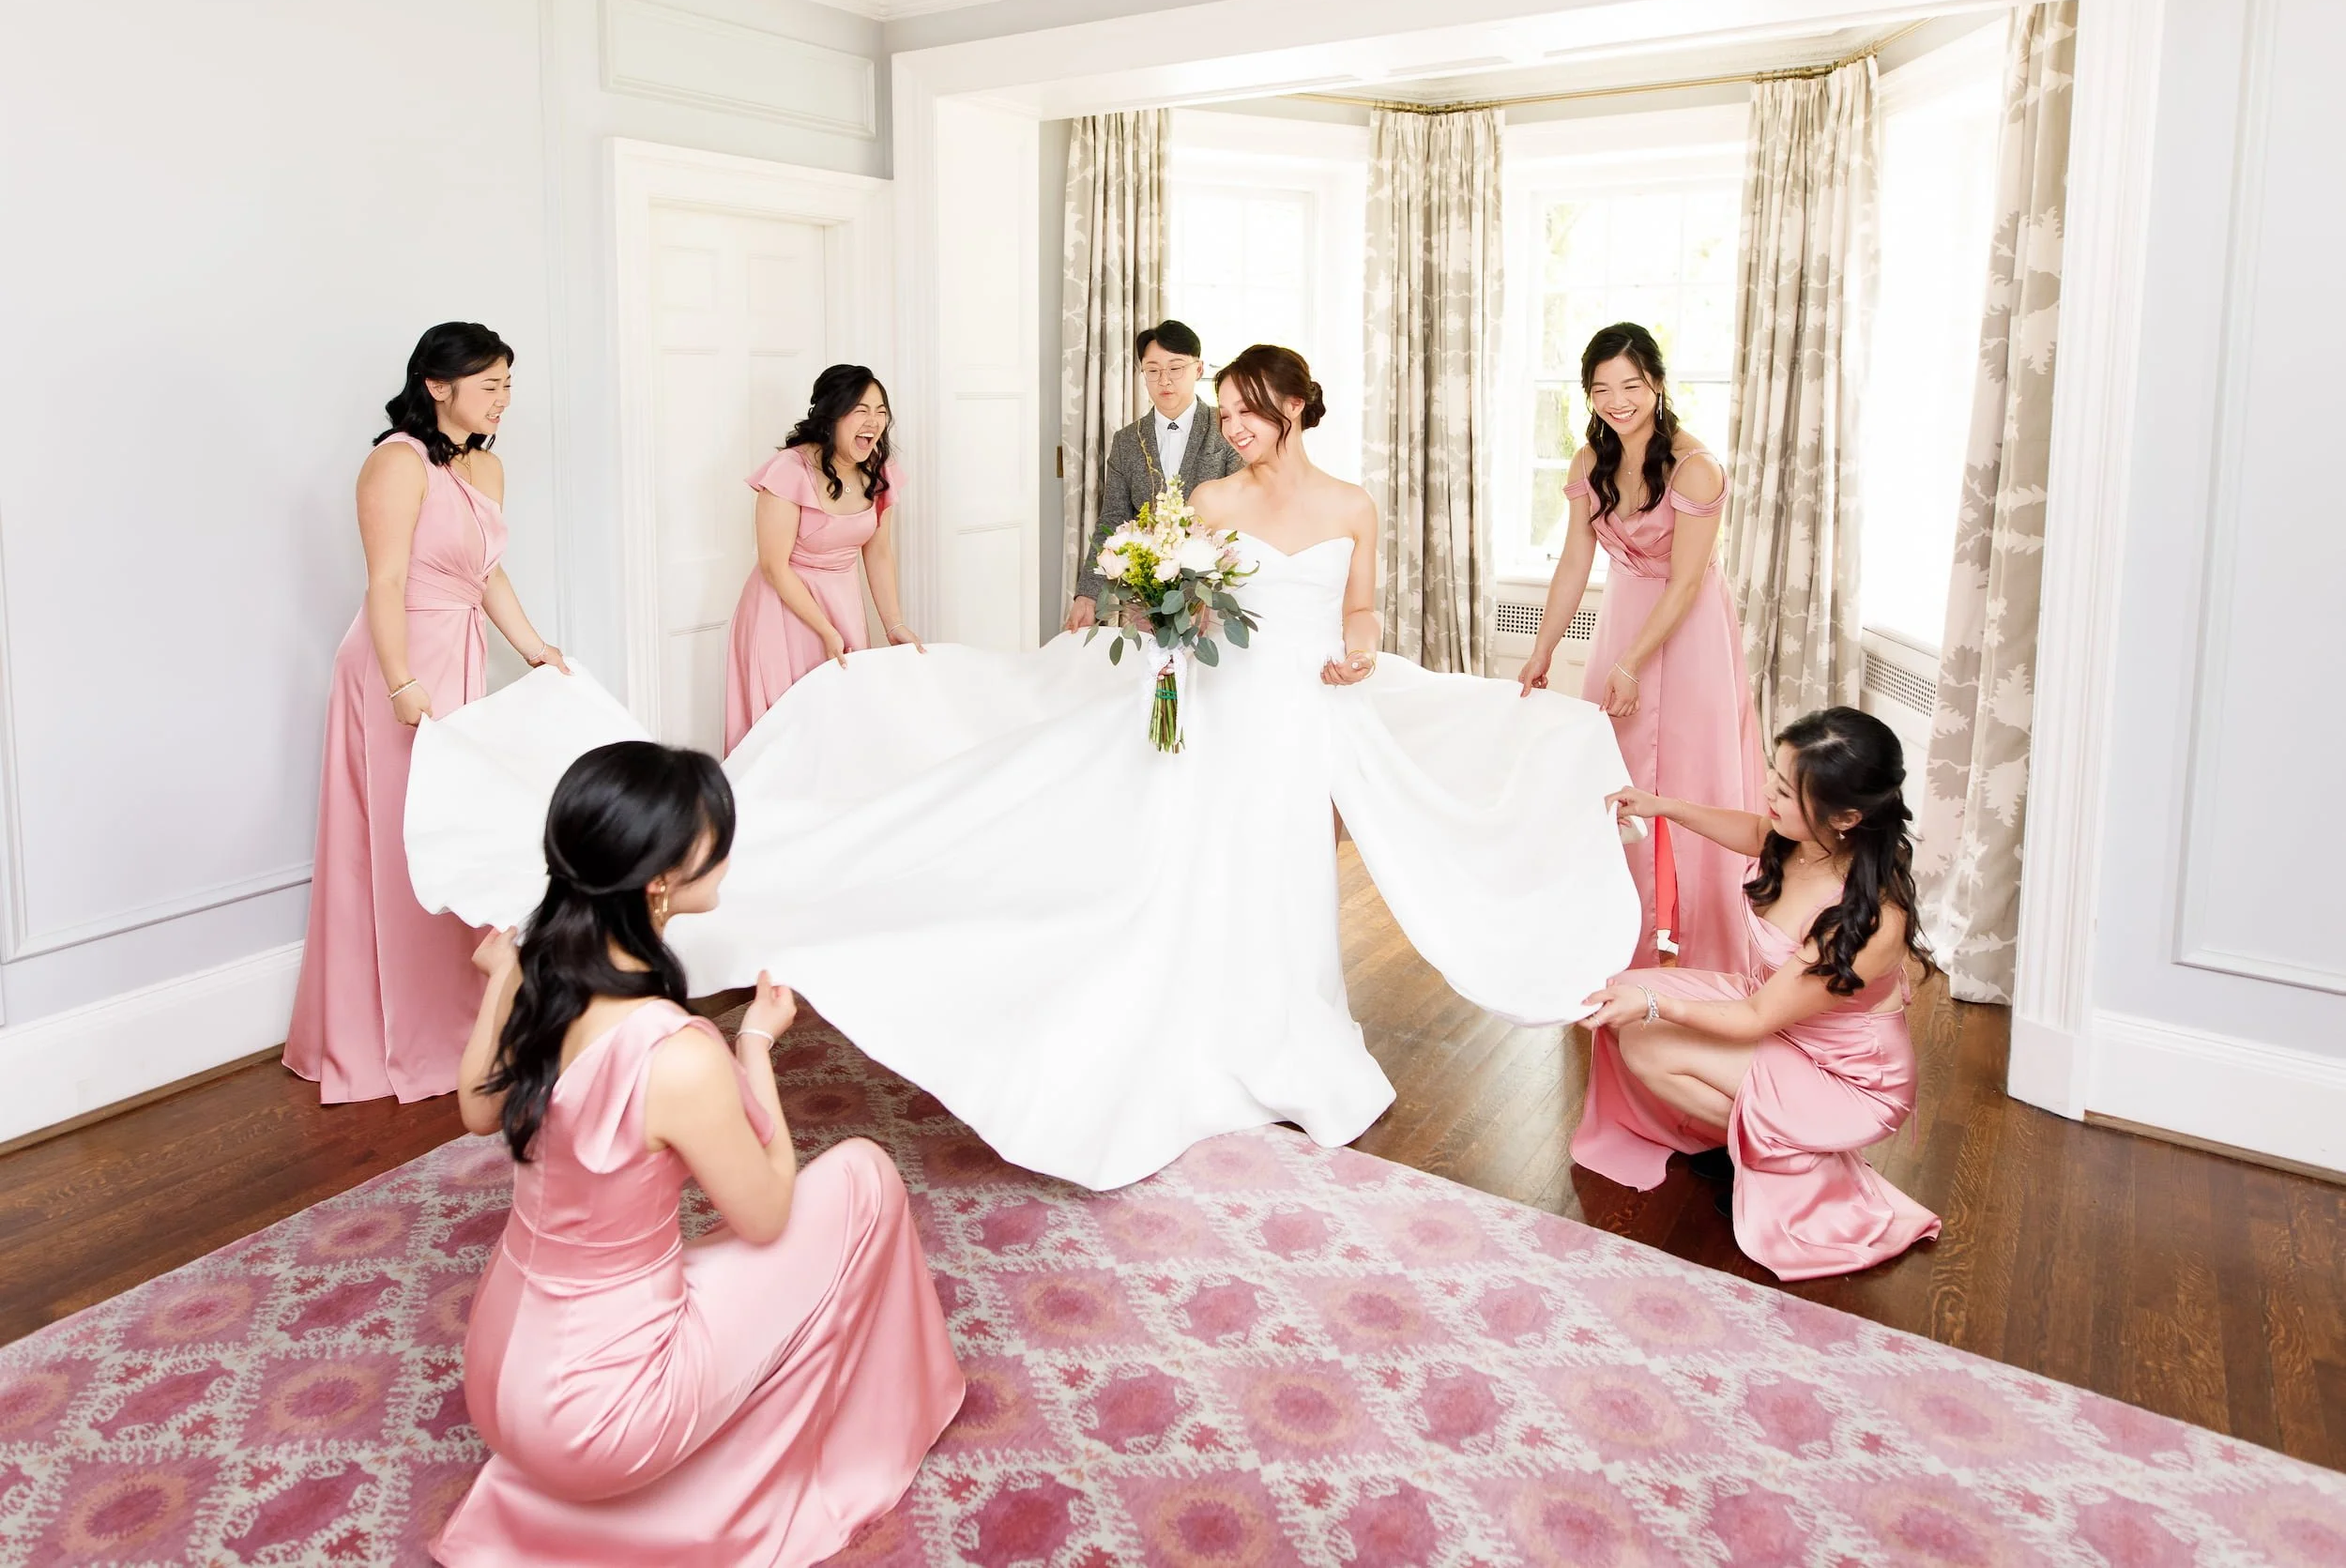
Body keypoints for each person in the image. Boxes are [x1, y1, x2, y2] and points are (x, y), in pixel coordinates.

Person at [404, 344, 1641, 1194]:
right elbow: (1158, 594)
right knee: (1185, 863)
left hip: (1295, 719)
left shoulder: (1356, 506)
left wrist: (1356, 655)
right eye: (1230, 408)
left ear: (1299, 411)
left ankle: (1282, 1028)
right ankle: (1188, 1019)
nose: (1238, 426)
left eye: (1255, 410)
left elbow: (1362, 615)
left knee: (1276, 872)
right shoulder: (1206, 497)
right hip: (1211, 712)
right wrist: (1162, 617)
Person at [433, 741, 962, 1566]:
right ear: (658, 884)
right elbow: (767, 1215)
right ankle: (861, 1436)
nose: (723, 841)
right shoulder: (676, 1053)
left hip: (496, 1380)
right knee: (864, 1174)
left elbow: (474, 1107)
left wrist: (503, 974)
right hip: (594, 1418)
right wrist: (753, 1046)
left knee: (699, 1259)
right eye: (707, 834)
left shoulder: (546, 977)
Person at [285, 323, 567, 1104]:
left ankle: (465, 1022)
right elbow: (385, 582)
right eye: (489, 386)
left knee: (458, 834)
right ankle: (391, 1034)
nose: (504, 401)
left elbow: (486, 575)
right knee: (402, 841)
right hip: (396, 662)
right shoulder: (394, 463)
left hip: (462, 655)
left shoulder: (487, 466)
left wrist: (536, 646)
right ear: (437, 385)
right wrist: (402, 682)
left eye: (509, 385)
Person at [1570, 707, 1942, 1282]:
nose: (1769, 791)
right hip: (1779, 1020)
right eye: (1774, 771)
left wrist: (1654, 1006)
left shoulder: (1867, 920)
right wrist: (1662, 805)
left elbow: (1754, 1017)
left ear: (1845, 816)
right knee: (1623, 992)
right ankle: (1757, 1143)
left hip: (1845, 1075)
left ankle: (1782, 1159)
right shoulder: (1803, 840)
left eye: (1786, 791)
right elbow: (1753, 830)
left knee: (1646, 1038)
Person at [1517, 323, 1764, 973]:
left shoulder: (1697, 467)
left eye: (1630, 384)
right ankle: (1618, 938)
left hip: (1690, 630)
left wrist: (1634, 662)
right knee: (1615, 775)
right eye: (1601, 388)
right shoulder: (1588, 460)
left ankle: (1710, 951)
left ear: (1657, 383)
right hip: (1623, 617)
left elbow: (1686, 581)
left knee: (1692, 775)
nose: (1617, 400)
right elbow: (1575, 562)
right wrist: (1544, 649)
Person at [724, 365, 920, 754]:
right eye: (861, 410)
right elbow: (773, 567)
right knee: (787, 733)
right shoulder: (789, 471)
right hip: (783, 610)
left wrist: (894, 624)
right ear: (831, 415)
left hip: (842, 605)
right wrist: (826, 630)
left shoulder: (879, 471)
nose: (875, 421)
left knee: (842, 729)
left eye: (881, 410)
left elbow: (878, 552)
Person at [1064, 319, 1242, 632]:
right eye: (1153, 370)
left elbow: (1243, 519)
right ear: (1142, 374)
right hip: (1147, 600)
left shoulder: (1227, 427)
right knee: (1155, 677)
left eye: (1176, 368)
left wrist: (1208, 597)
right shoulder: (1127, 442)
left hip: (1214, 596)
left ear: (1198, 370)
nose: (1165, 380)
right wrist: (1087, 595)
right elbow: (1113, 520)